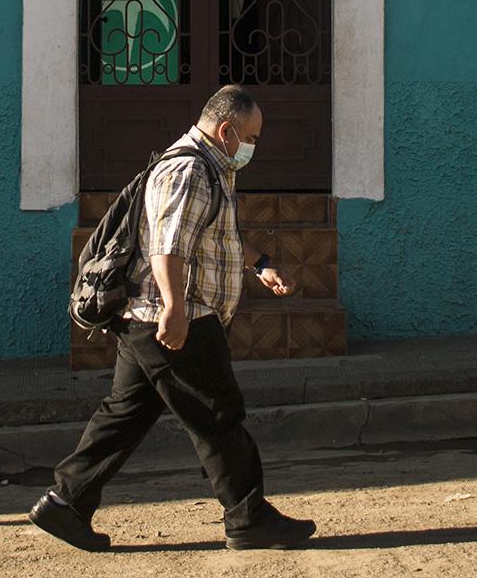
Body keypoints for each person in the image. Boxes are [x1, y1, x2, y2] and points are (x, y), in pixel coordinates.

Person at [30, 86, 316, 553]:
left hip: (148, 317)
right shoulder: (188, 169)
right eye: (252, 137)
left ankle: (67, 501)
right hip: (175, 316)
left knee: (125, 414)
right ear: (226, 131)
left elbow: (210, 236)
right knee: (218, 414)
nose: (254, 147)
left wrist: (260, 263)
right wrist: (175, 309)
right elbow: (168, 246)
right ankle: (248, 518)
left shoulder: (211, 167)